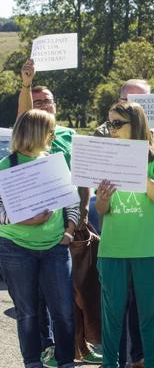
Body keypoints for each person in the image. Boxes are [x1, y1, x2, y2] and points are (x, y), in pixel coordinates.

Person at [94, 80, 154, 367]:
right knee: (111, 319)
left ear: (135, 124)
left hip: (149, 250)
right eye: (110, 123)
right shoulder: (106, 155)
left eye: (117, 124)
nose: (110, 129)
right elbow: (103, 208)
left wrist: (134, 166)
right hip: (112, 250)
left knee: (150, 319)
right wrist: (101, 198)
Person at [17, 59, 99, 366]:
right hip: (33, 227)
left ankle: (80, 345)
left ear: (55, 105)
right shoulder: (27, 140)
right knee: (39, 296)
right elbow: (24, 116)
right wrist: (26, 83)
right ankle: (46, 347)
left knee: (76, 289)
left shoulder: (68, 136)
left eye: (46, 101)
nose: (42, 106)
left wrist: (83, 214)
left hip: (71, 221)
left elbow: (84, 175)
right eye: (36, 102)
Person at [0, 109, 80, 368]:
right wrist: (25, 220)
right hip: (15, 249)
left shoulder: (56, 161)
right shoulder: (6, 165)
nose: (54, 135)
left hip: (56, 247)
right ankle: (32, 362)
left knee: (65, 312)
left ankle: (65, 362)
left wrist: (69, 231)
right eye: (50, 130)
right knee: (28, 313)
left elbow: (72, 202)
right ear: (34, 133)